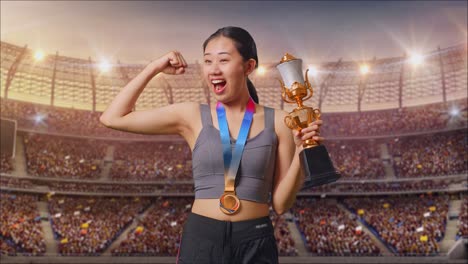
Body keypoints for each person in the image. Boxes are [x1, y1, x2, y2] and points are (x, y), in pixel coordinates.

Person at [99, 26, 323, 264]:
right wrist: (154, 68)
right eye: (207, 61)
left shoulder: (280, 121)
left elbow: (280, 204)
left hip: (255, 240)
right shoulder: (191, 115)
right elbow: (113, 117)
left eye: (224, 60)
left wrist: (301, 152)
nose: (214, 69)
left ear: (249, 66)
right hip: (202, 238)